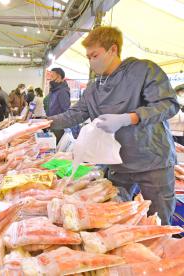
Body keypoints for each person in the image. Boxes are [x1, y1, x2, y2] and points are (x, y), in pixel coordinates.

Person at [48, 26, 179, 225]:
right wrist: (46, 122)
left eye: (95, 55)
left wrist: (129, 118)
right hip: (117, 163)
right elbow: (76, 113)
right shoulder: (94, 87)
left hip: (152, 161)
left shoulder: (144, 71)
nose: (91, 61)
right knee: (113, 216)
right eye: (88, 57)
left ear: (113, 50)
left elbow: (168, 104)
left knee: (157, 221)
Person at [46, 67, 71, 141]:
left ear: (59, 77)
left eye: (52, 76)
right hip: (53, 123)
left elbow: (66, 110)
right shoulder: (55, 90)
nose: (50, 79)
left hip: (59, 127)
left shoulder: (62, 91)